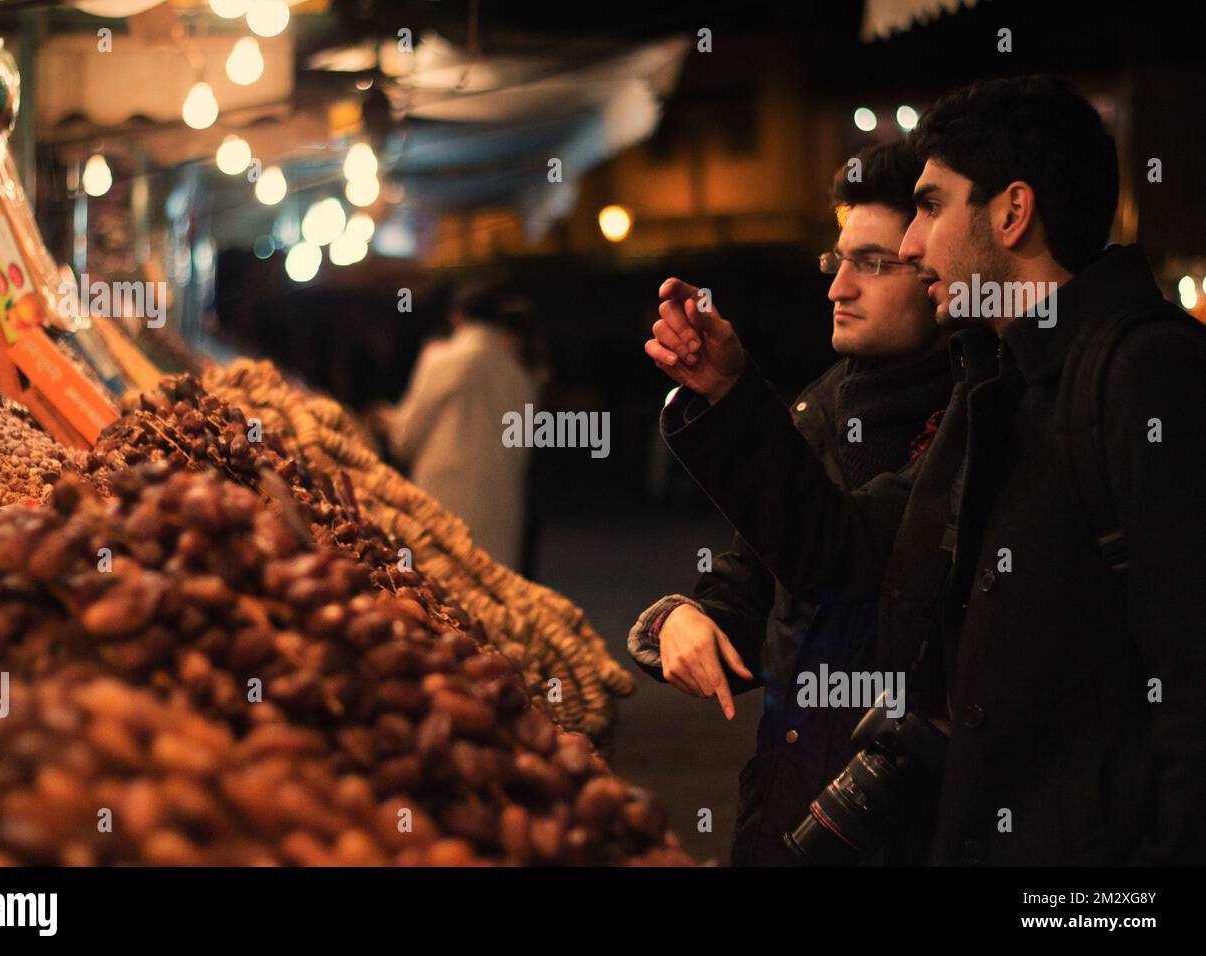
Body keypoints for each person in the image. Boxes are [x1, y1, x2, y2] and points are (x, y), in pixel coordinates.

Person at [645, 75, 1206, 865]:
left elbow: (1191, 682)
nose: (914, 245)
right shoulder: (998, 380)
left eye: (932, 207)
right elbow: (848, 554)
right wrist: (731, 398)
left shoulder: (1144, 371)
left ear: (1012, 213)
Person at [629, 141, 952, 865]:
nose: (839, 288)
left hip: (894, 831)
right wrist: (685, 618)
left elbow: (844, 559)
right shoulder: (823, 403)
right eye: (837, 261)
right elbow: (756, 584)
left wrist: (736, 399)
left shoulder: (970, 423)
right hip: (781, 804)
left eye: (872, 263)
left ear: (937, 267)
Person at [377, 284, 538, 569]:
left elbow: (405, 436)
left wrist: (384, 419)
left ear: (456, 318)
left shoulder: (440, 359)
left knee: (441, 599)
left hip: (444, 506)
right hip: (502, 508)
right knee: (494, 597)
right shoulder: (520, 375)